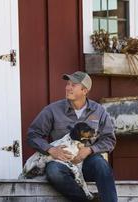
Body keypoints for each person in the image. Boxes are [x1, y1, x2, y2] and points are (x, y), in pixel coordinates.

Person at [27, 71, 117, 202]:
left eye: (73, 85)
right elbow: (33, 135)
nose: (67, 88)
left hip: (87, 161)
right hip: (62, 162)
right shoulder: (52, 110)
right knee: (54, 172)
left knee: (101, 165)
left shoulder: (98, 111)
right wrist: (51, 150)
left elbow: (109, 139)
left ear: (85, 90)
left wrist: (89, 150)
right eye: (67, 84)